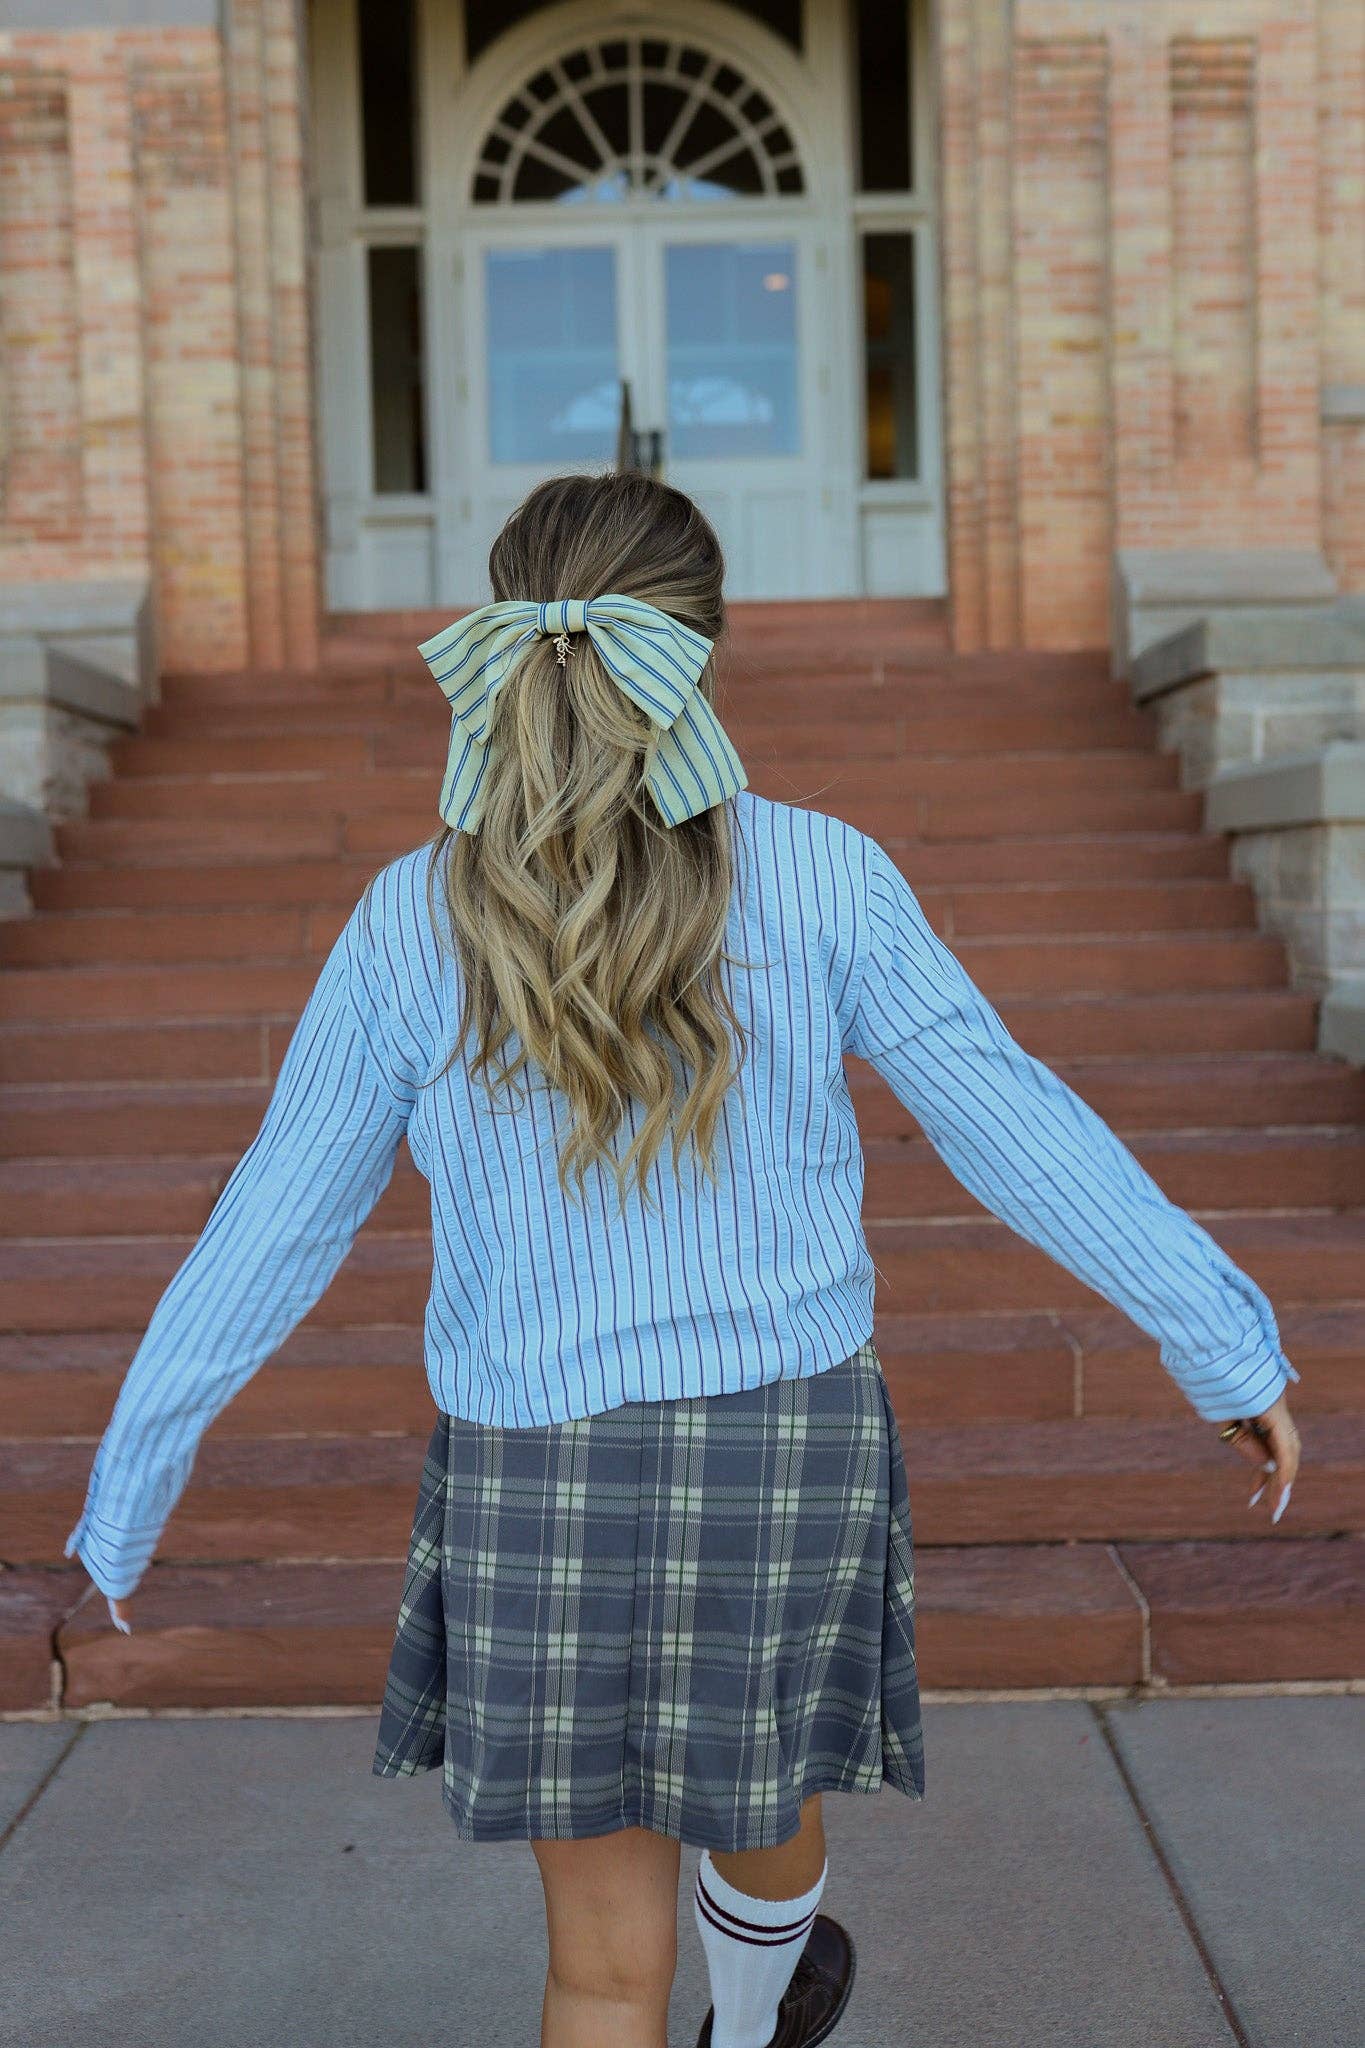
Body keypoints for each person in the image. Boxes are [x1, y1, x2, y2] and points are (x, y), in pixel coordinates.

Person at [65, 470, 1303, 2048]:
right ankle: (761, 2006)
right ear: (701, 652)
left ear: (505, 647)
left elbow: (272, 1220)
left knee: (596, 1966)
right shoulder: (825, 873)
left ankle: (746, 2013)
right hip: (785, 1442)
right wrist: (1220, 1342)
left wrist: (132, 1482)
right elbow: (1016, 1125)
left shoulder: (408, 917)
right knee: (764, 1792)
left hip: (530, 1467)